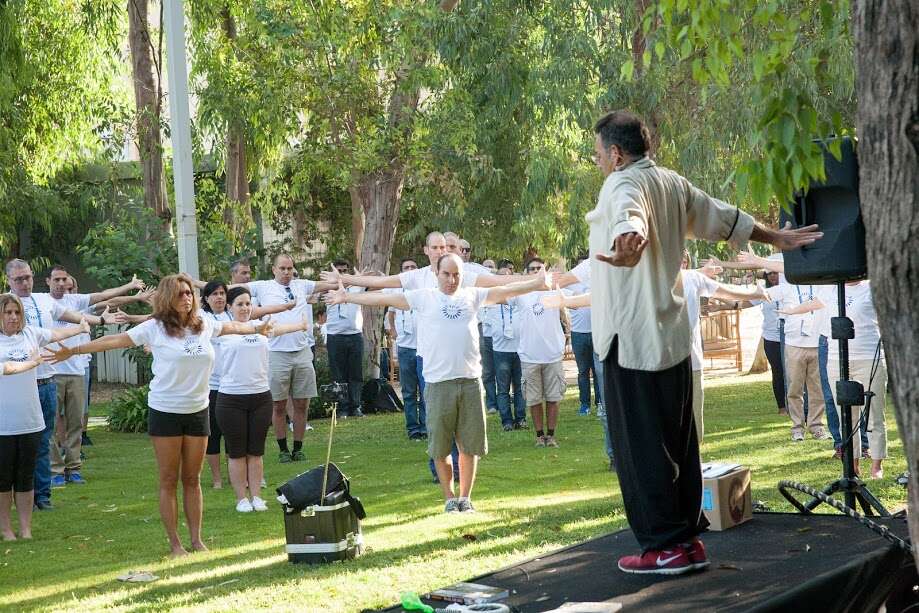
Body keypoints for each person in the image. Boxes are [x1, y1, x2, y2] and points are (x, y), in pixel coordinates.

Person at [586, 110, 821, 574]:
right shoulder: (672, 183)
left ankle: (663, 547)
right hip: (672, 339)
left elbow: (629, 215)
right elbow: (724, 218)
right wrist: (776, 236)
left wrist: (627, 241)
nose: (598, 162)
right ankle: (687, 541)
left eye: (598, 154)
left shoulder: (621, 184)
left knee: (642, 447)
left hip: (631, 340)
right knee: (678, 441)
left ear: (615, 154)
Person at [44, 274, 275, 556]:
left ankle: (196, 540)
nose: (187, 298)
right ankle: (175, 544)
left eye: (189, 293)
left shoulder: (203, 325)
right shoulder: (154, 328)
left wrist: (256, 329)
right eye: (180, 294)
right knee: (169, 479)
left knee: (192, 479)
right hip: (165, 410)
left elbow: (231, 327)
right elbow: (116, 340)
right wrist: (74, 350)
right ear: (168, 298)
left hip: (198, 410)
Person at [324, 253, 553, 513]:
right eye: (446, 274)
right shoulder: (424, 297)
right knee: (440, 447)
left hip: (469, 381)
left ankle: (465, 498)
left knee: (469, 446)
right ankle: (449, 499)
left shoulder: (472, 295)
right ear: (437, 274)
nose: (452, 279)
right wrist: (348, 296)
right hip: (438, 383)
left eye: (456, 274)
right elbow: (384, 296)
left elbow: (504, 291)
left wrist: (535, 283)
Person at [4, 259, 108, 510]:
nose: (25, 282)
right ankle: (14, 499)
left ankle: (42, 497)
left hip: (47, 381)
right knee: (11, 447)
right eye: (19, 279)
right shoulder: (4, 304)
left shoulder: (43, 300)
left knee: (43, 441)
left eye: (28, 277)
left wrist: (100, 322)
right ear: (8, 280)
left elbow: (72, 320)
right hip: (14, 388)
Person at [1, 293, 89, 540]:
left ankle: (26, 528)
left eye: (17, 312)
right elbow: (7, 369)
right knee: (4, 479)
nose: (13, 317)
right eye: (8, 312)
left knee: (25, 477)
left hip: (30, 420)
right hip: (3, 425)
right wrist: (33, 363)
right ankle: (6, 529)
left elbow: (57, 335)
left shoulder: (31, 334)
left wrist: (80, 327)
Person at [216, 286, 312, 511]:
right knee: (237, 451)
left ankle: (257, 496)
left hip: (260, 396)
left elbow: (280, 329)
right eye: (239, 304)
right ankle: (241, 498)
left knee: (256, 450)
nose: (245, 308)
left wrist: (301, 325)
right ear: (229, 307)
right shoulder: (220, 329)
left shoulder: (261, 328)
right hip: (231, 398)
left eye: (248, 304)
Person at [779, 280, 888, 478]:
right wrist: (791, 311)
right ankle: (852, 465)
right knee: (845, 416)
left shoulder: (874, 287)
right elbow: (813, 304)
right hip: (837, 359)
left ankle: (876, 464)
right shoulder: (830, 288)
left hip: (868, 357)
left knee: (873, 413)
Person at [243, 254, 335, 463]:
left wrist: (346, 279)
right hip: (276, 354)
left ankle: (298, 447)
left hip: (302, 352)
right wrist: (196, 284)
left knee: (302, 403)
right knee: (278, 405)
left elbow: (328, 284)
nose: (287, 273)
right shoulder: (263, 287)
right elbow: (228, 289)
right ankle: (283, 448)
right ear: (274, 269)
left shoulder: (302, 285)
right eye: (282, 268)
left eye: (290, 269)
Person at [509, 258, 567, 447]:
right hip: (529, 355)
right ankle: (539, 436)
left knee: (553, 398)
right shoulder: (521, 292)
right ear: (526, 272)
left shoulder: (554, 289)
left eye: (539, 269)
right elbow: (503, 292)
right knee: (533, 400)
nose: (535, 271)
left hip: (552, 354)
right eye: (532, 269)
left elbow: (569, 303)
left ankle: (551, 435)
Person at [385, 258, 427, 440]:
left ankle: (426, 427)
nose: (409, 270)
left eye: (412, 267)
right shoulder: (397, 291)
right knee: (409, 391)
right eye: (406, 268)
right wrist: (393, 330)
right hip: (405, 347)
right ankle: (413, 429)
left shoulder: (424, 289)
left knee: (426, 390)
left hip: (423, 347)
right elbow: (390, 314)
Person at [325, 260, 366, 419]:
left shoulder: (357, 287)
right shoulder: (327, 289)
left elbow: (378, 287)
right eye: (338, 270)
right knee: (338, 375)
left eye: (344, 270)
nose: (341, 273)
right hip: (335, 336)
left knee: (356, 373)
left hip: (355, 335)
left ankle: (356, 407)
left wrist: (360, 278)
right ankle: (342, 409)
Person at [491, 267, 527, 431]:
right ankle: (506, 421)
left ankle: (521, 418)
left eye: (508, 277)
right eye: (502, 277)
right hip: (500, 350)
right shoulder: (491, 301)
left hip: (520, 350)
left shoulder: (520, 299)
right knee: (503, 388)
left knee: (520, 387)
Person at [566, 255, 600, 417]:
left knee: (598, 370)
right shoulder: (571, 284)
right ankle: (584, 404)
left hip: (597, 332)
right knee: (582, 371)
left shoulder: (597, 281)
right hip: (579, 333)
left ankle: (600, 402)